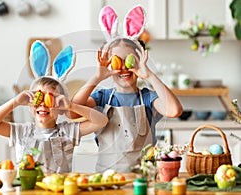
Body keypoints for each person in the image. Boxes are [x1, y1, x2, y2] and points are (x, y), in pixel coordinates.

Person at [71, 5, 183, 172]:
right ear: (108, 64)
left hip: (143, 181)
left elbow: (174, 111)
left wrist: (150, 75)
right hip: (107, 182)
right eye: (117, 61)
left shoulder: (147, 98)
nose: (123, 68)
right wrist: (97, 77)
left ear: (139, 61)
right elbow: (73, 112)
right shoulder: (102, 97)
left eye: (129, 61)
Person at [0, 76, 108, 173]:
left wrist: (71, 106)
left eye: (49, 99)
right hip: (27, 194)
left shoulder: (67, 132)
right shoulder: (21, 131)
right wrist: (15, 102)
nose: (43, 104)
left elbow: (101, 121)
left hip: (58, 194)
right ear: (30, 104)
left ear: (60, 107)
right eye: (39, 97)